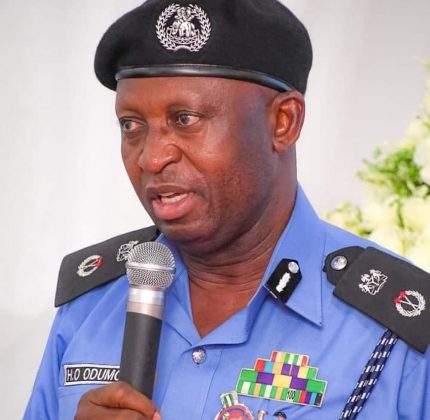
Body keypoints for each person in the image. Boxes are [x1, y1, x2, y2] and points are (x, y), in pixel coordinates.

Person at [24, 0, 430, 419]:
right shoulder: (90, 307)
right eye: (131, 125)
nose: (151, 158)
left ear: (284, 122)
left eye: (185, 119)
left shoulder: (398, 332)